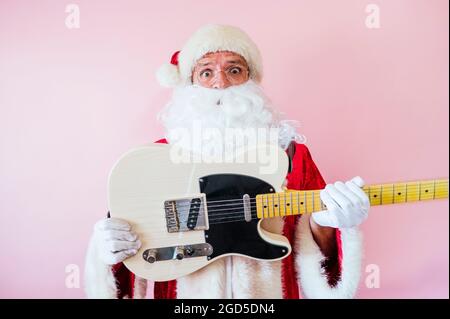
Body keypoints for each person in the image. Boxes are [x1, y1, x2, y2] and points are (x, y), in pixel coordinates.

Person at [84, 24, 370, 299]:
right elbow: (133, 245)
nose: (220, 83)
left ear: (252, 80)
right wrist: (108, 252)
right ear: (189, 84)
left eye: (234, 70)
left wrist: (332, 223)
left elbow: (319, 249)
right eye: (206, 72)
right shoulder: (153, 161)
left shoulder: (291, 156)